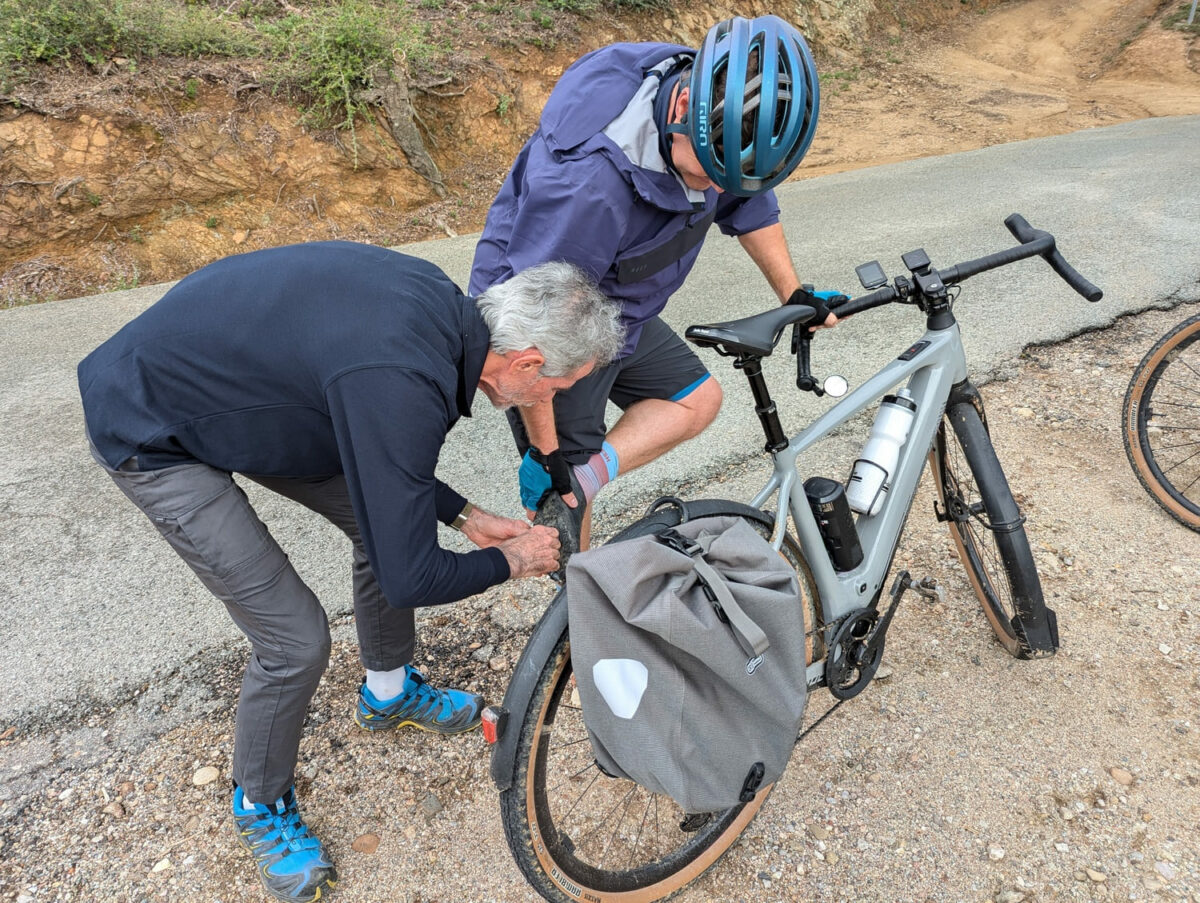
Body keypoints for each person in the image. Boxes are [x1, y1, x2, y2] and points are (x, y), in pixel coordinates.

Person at [77, 242, 623, 903]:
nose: (554, 400)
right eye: (559, 388)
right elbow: (410, 577)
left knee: (386, 526)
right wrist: (513, 558)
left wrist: (463, 515)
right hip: (151, 424)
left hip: (248, 400)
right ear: (528, 362)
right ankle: (259, 801)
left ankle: (389, 693)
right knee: (294, 638)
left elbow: (380, 453)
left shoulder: (440, 314)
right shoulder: (401, 374)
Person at [470, 15, 844, 548]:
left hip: (621, 304)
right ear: (680, 110)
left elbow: (747, 200)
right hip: (546, 316)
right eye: (708, 174)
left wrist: (794, 293)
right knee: (567, 502)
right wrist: (549, 455)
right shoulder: (587, 189)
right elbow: (533, 340)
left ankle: (585, 478)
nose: (716, 189)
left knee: (698, 400)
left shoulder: (718, 110)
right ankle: (575, 613)